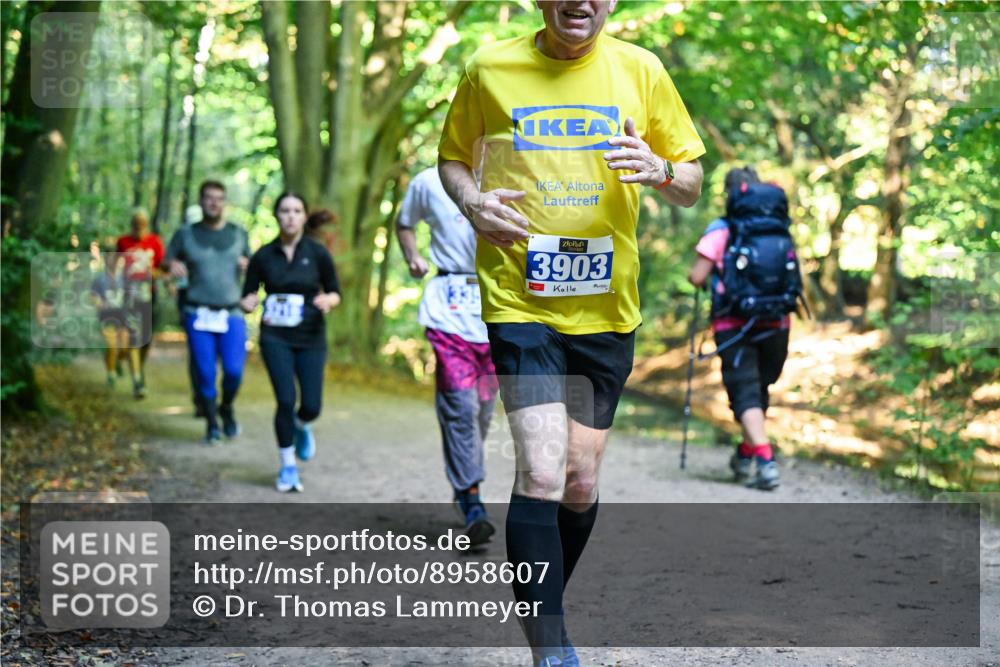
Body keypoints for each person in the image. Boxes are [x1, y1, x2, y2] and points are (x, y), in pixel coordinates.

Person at [437, 1, 705, 664]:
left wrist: (660, 170)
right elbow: (452, 161)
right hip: (519, 299)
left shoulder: (642, 70)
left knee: (580, 479)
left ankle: (545, 608)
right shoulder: (490, 68)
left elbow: (692, 182)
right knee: (542, 468)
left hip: (607, 307)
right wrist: (472, 202)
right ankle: (550, 644)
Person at [395, 166, 499, 545]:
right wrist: (413, 256)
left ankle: (463, 484)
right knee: (461, 406)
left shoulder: (513, 172)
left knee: (482, 412)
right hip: (448, 310)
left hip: (499, 307)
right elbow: (404, 223)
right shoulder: (428, 182)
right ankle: (473, 503)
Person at [688, 166, 790, 491]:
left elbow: (697, 276)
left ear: (729, 194)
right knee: (759, 389)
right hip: (777, 321)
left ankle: (765, 460)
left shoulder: (722, 229)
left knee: (745, 391)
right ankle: (746, 453)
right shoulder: (778, 227)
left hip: (734, 323)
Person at [241, 194, 341, 492]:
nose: (291, 216)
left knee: (311, 405)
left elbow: (335, 291)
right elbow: (248, 294)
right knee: (285, 400)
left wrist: (329, 300)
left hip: (311, 336)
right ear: (276, 215)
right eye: (285, 211)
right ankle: (288, 466)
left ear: (304, 216)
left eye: (297, 211)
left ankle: (301, 424)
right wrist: (247, 302)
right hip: (275, 337)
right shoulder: (263, 255)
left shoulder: (318, 253)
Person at [164, 180, 250, 444]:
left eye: (219, 198)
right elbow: (166, 260)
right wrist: (172, 265)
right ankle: (212, 423)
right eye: (209, 198)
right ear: (201, 201)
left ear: (225, 202)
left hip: (231, 312)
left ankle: (227, 407)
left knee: (234, 371)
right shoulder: (185, 233)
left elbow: (255, 267)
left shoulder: (238, 234)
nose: (214, 203)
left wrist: (248, 267)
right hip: (198, 311)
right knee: (205, 371)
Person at [116, 210, 165, 399]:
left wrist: (153, 273)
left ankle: (136, 365)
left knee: (145, 339)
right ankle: (138, 380)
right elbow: (114, 267)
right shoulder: (123, 242)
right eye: (136, 222)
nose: (139, 226)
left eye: (142, 222)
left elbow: (163, 268)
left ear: (147, 224)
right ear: (132, 223)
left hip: (149, 296)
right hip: (128, 297)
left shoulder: (155, 242)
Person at [90, 249, 136, 388]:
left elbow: (130, 296)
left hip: (123, 317)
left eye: (116, 257)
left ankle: (116, 362)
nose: (113, 260)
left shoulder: (125, 279)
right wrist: (98, 302)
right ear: (106, 260)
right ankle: (111, 374)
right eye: (110, 257)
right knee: (112, 346)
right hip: (107, 317)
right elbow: (93, 295)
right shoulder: (99, 279)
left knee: (124, 348)